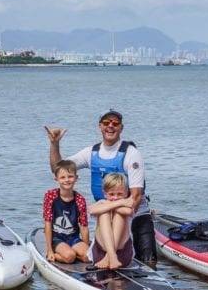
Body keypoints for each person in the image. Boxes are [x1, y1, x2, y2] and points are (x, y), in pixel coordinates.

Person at [45, 110, 157, 268]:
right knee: (106, 217)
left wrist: (126, 222)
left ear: (121, 128)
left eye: (115, 123)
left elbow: (136, 197)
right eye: (106, 123)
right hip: (105, 213)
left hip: (135, 215)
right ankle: (110, 258)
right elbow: (59, 170)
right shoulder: (91, 152)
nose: (110, 126)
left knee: (149, 261)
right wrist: (54, 144)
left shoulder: (132, 154)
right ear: (100, 126)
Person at [43, 160, 90, 263]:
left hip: (73, 237)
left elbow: (84, 226)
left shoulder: (80, 200)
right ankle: (58, 254)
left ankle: (74, 252)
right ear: (56, 179)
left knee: (87, 257)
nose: (67, 180)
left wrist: (87, 249)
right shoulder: (50, 196)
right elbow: (48, 223)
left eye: (70, 176)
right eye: (63, 177)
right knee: (70, 256)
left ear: (76, 178)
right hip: (57, 238)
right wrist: (49, 250)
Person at [88, 173, 136, 269]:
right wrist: (121, 202)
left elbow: (128, 211)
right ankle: (111, 255)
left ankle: (110, 256)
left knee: (119, 215)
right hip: (100, 253)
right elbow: (91, 210)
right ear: (105, 193)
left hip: (122, 254)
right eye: (111, 194)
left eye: (120, 194)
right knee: (104, 214)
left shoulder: (126, 207)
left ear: (126, 193)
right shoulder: (103, 202)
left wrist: (108, 205)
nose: (115, 197)